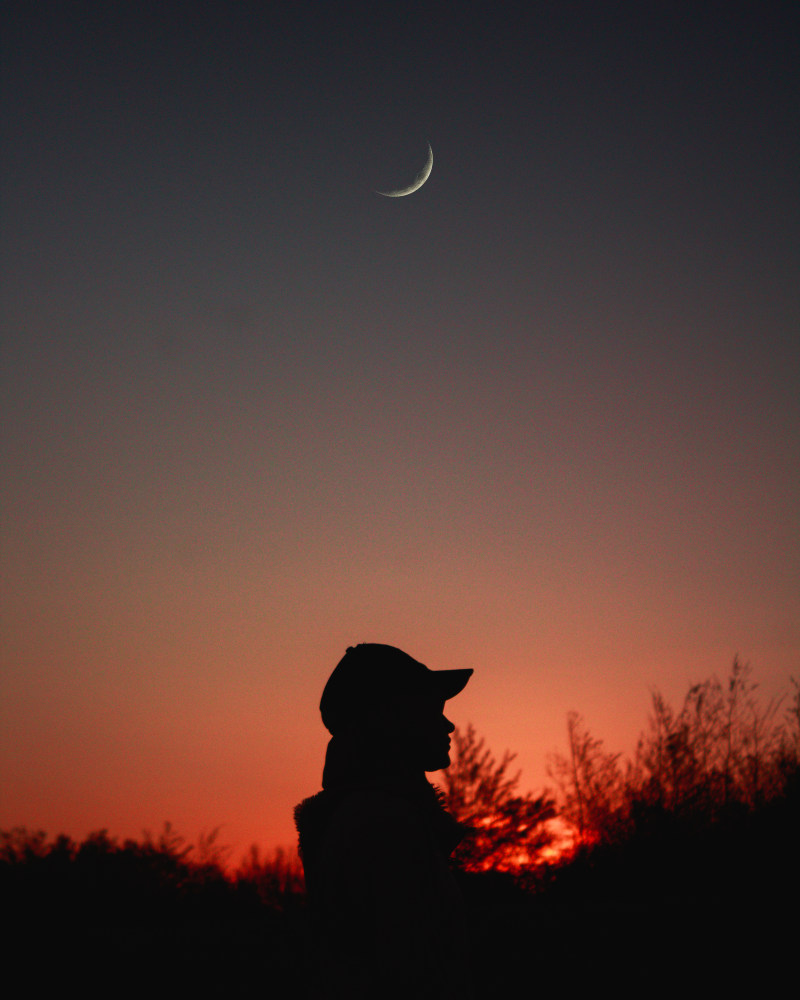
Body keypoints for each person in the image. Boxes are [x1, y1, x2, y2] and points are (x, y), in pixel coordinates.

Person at [295, 643, 475, 999]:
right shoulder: (384, 824)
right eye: (431, 709)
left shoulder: (375, 816)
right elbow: (410, 972)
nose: (448, 723)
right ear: (391, 719)